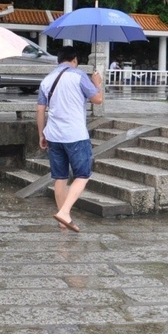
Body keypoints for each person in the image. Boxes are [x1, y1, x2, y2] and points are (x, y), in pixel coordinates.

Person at [36, 47, 103, 233]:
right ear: (74, 59)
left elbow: (40, 110)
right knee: (82, 175)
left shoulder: (47, 80)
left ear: (59, 60)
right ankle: (65, 212)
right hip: (75, 134)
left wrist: (41, 134)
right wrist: (97, 83)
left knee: (60, 177)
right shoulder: (78, 75)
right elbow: (98, 99)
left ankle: (62, 219)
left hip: (53, 135)